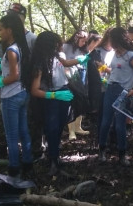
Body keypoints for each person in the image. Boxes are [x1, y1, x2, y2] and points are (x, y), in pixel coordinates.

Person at [28, 31, 87, 176]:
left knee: (60, 126)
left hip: (64, 94)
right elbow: (34, 90)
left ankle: (54, 155)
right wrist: (53, 95)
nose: (59, 46)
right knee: (52, 129)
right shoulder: (40, 63)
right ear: (48, 45)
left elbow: (66, 63)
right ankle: (53, 161)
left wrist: (82, 59)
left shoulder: (56, 57)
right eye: (56, 43)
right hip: (52, 99)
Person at [0, 13, 31, 177]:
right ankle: (27, 163)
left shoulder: (11, 50)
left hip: (11, 96)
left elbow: (14, 75)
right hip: (22, 93)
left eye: (0, 29)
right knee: (23, 131)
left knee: (12, 135)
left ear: (9, 30)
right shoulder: (19, 46)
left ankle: (13, 168)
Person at [98, 27, 133, 166]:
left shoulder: (131, 56)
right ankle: (102, 151)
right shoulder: (115, 54)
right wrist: (103, 69)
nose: (109, 41)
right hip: (110, 89)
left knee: (120, 125)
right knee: (105, 122)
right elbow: (115, 70)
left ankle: (122, 154)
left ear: (117, 39)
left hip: (123, 92)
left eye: (111, 39)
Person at [63, 30, 90, 140]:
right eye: (83, 40)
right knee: (72, 102)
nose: (84, 43)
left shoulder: (84, 49)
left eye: (85, 41)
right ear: (76, 38)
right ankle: (71, 131)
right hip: (70, 76)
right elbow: (62, 62)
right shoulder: (65, 46)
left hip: (82, 74)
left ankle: (78, 127)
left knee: (81, 100)